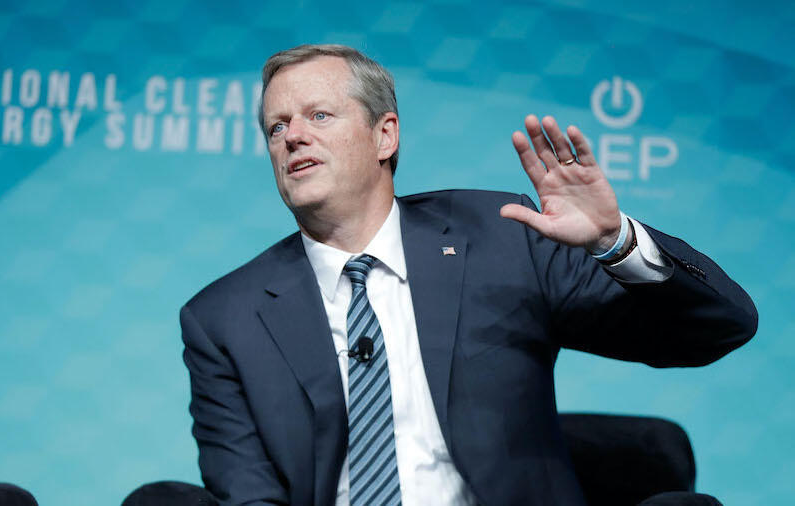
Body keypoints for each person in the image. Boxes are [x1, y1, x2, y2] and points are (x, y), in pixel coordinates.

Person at [180, 44, 757, 505]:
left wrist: (614, 242)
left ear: (385, 135)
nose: (292, 136)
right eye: (276, 127)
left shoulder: (499, 237)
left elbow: (715, 329)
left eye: (319, 115)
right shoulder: (224, 319)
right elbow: (249, 493)